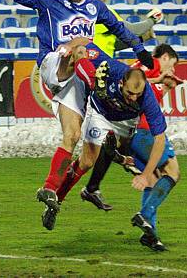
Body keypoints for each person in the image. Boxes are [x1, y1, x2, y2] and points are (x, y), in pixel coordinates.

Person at [13, 0, 154, 220]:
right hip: (56, 64)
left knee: (81, 146)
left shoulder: (95, 7)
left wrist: (140, 49)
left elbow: (119, 29)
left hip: (78, 81)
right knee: (81, 45)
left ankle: (52, 193)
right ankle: (100, 89)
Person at [44, 44, 174, 251]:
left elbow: (159, 138)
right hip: (100, 115)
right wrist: (91, 77)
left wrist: (145, 174)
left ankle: (115, 158)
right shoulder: (110, 68)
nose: (133, 97)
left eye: (137, 95)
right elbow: (79, 50)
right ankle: (56, 200)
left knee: (152, 168)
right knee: (87, 161)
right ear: (121, 82)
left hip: (127, 124)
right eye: (130, 93)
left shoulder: (146, 97)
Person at [79, 44, 182, 251]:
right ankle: (145, 214)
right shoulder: (150, 66)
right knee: (172, 171)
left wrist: (163, 83)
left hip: (128, 133)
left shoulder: (135, 71)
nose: (171, 70)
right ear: (163, 57)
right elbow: (144, 90)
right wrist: (162, 81)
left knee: (152, 179)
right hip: (142, 130)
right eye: (171, 64)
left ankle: (150, 235)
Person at [86, 0, 164, 58]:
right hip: (98, 63)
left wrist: (141, 39)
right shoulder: (102, 12)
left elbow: (112, 45)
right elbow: (133, 30)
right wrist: (154, 19)